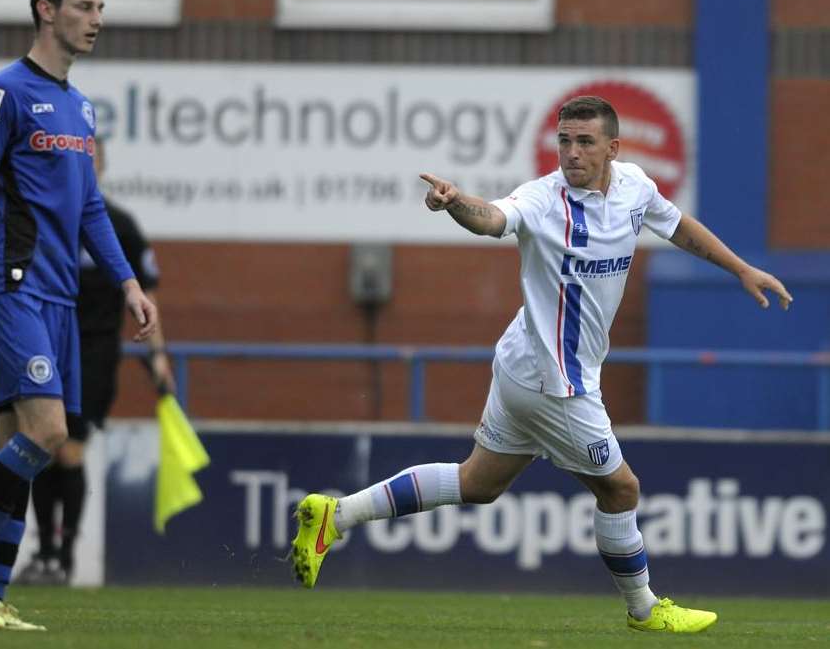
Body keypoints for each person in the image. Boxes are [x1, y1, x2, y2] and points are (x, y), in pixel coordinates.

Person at [291, 96, 793, 634]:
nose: (571, 153)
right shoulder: (543, 199)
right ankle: (645, 609)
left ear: (612, 149)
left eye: (584, 142)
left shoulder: (634, 188)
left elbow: (677, 227)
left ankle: (336, 516)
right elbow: (493, 219)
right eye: (564, 141)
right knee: (621, 490)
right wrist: (457, 201)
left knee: (478, 482)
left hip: (522, 361)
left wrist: (742, 269)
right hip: (554, 382)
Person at [0, 0, 158, 631]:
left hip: (59, 298)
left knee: (15, 439)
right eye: (84, 7)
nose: (96, 21)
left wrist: (127, 282)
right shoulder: (4, 93)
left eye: (101, 10)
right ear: (46, 10)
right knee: (49, 431)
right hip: (12, 285)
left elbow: (89, 208)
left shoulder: (80, 107)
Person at [17, 137, 175, 585]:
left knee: (68, 447)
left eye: (92, 159)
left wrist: (158, 354)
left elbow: (147, 295)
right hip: (44, 343)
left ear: (101, 166)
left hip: (95, 350)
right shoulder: (42, 219)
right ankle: (44, 552)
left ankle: (62, 556)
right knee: (42, 449)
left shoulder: (119, 226)